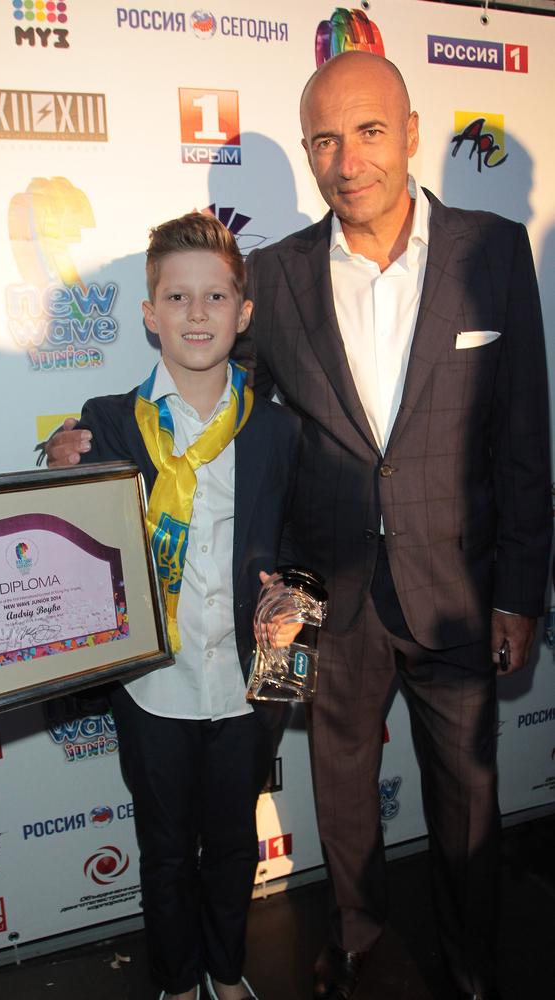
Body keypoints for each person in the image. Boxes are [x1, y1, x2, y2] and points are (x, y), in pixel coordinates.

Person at [45, 52, 552, 1000]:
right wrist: (87, 437)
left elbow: (523, 431)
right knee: (342, 790)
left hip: (459, 590)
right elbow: (213, 401)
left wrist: (522, 591)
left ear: (410, 131)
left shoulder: (492, 248)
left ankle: (472, 963)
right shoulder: (273, 277)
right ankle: (355, 938)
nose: (347, 160)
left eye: (369, 131)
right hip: (319, 594)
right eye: (324, 139)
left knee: (469, 800)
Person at [66, 213, 300, 1000]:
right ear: (149, 313)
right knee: (165, 848)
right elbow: (68, 524)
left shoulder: (276, 430)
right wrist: (57, 459)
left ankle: (226, 974)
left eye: (215, 296)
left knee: (233, 843)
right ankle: (175, 981)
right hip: (152, 684)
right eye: (177, 297)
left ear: (244, 312)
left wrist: (291, 616)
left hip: (249, 681)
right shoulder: (107, 422)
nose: (196, 313)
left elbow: (298, 542)